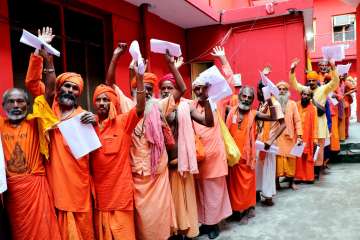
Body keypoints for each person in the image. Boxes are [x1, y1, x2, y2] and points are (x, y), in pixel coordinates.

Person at [25, 27, 97, 239]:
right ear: (59, 88)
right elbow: (35, 84)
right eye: (66, 86)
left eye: (75, 89)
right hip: (55, 181)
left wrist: (97, 122)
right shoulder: (50, 107)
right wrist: (42, 52)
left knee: (82, 227)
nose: (69, 91)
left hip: (79, 183)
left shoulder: (85, 116)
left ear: (79, 93)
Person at [0, 27, 61, 239]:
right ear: (3, 106)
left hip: (37, 189)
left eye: (20, 101)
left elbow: (50, 91)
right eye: (11, 102)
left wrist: (40, 53)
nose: (16, 105)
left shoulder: (35, 120)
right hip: (14, 194)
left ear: (28, 105)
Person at [91, 43, 146, 240]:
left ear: (114, 102)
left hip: (120, 194)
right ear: (94, 103)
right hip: (100, 194)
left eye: (107, 100)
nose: (103, 103)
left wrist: (139, 76)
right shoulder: (89, 124)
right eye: (99, 100)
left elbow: (140, 107)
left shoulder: (124, 122)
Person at [129, 50, 186, 240]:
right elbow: (110, 83)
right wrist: (132, 70)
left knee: (161, 215)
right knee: (143, 219)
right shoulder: (127, 109)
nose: (144, 92)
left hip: (158, 172)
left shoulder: (158, 106)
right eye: (140, 88)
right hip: (137, 173)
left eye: (148, 89)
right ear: (133, 91)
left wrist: (171, 65)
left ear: (152, 92)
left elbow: (181, 88)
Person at [159, 70, 214, 239]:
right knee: (171, 203)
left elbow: (208, 122)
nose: (167, 91)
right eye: (164, 88)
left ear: (175, 89)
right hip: (165, 166)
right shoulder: (156, 108)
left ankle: (187, 232)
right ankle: (174, 233)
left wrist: (205, 101)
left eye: (170, 88)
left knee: (187, 202)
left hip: (184, 163)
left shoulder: (185, 107)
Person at [226, 86, 282, 224]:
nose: (246, 99)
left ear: (252, 100)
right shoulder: (230, 110)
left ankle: (247, 209)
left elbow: (274, 117)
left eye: (249, 98)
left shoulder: (254, 114)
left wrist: (268, 98)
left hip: (246, 159)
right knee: (233, 188)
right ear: (239, 96)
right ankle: (235, 210)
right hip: (232, 158)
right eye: (244, 96)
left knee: (247, 186)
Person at [192, 78, 232, 239]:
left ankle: (215, 224)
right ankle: (205, 224)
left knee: (214, 194)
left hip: (215, 158)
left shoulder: (217, 104)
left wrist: (223, 60)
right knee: (201, 194)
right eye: (196, 89)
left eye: (202, 89)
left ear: (208, 89)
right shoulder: (191, 106)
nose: (199, 92)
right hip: (199, 157)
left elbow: (229, 85)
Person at [289, 58, 339, 180]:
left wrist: (333, 68)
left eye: (313, 80)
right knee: (305, 148)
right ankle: (304, 171)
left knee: (319, 148)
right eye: (309, 80)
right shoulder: (305, 90)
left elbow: (335, 82)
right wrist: (292, 70)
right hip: (306, 125)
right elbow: (294, 83)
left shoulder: (323, 89)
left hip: (320, 124)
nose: (311, 82)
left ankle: (316, 171)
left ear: (317, 81)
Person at [256, 80, 286, 206]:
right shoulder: (262, 104)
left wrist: (271, 140)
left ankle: (268, 196)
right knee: (258, 169)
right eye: (260, 89)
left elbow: (283, 125)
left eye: (263, 89)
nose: (261, 91)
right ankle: (257, 192)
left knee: (268, 170)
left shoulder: (275, 104)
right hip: (259, 142)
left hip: (269, 144)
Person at [275, 81, 302, 190]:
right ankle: (276, 183)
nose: (281, 91)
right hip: (277, 137)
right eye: (279, 89)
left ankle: (291, 183)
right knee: (277, 160)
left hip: (290, 136)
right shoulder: (274, 103)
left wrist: (299, 135)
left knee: (291, 159)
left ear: (287, 91)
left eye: (284, 89)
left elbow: (298, 120)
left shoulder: (292, 104)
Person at [210, 46, 242, 120]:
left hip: (219, 130)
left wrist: (222, 58)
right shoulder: (195, 104)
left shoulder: (218, 100)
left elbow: (230, 78)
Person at [295, 88, 318, 183]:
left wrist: (315, 139)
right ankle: (298, 177)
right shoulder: (296, 105)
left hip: (309, 136)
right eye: (303, 94)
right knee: (298, 156)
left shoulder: (313, 108)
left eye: (307, 95)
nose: (305, 96)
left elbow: (315, 124)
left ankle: (308, 177)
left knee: (307, 156)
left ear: (310, 97)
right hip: (298, 135)